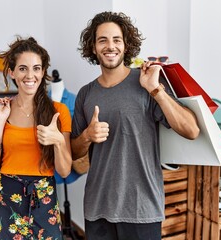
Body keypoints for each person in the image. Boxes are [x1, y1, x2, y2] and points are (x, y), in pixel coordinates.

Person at [71, 11, 200, 240]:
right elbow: (74, 151)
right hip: (97, 208)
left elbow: (191, 130)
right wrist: (87, 136)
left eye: (116, 40)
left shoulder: (147, 83)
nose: (110, 46)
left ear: (126, 44)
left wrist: (155, 89)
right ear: (93, 47)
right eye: (102, 40)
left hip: (141, 209)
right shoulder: (85, 94)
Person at [0, 36, 72, 240]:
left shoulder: (59, 111)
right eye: (23, 68)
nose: (30, 75)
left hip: (43, 197)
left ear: (43, 71)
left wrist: (57, 141)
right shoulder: (2, 110)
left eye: (36, 68)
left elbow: (64, 171)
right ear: (12, 72)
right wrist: (1, 121)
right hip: (7, 197)